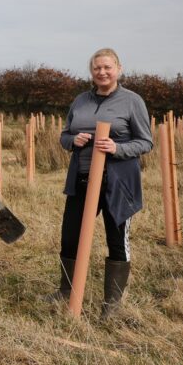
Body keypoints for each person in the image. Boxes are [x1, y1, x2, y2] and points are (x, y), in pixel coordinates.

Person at [49, 48, 152, 318]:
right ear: (91, 71)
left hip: (117, 183)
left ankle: (112, 304)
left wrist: (117, 148)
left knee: (116, 240)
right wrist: (73, 141)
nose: (102, 72)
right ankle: (65, 291)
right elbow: (64, 135)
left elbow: (145, 142)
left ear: (119, 68)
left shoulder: (132, 101)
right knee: (70, 237)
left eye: (107, 67)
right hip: (81, 179)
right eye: (97, 68)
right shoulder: (80, 100)